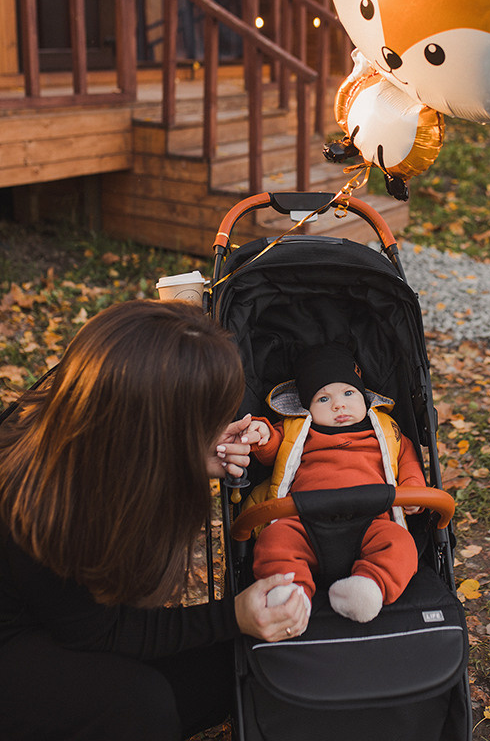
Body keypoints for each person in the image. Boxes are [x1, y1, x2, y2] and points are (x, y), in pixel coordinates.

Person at [0, 300, 309, 741]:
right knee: (140, 705)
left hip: (59, 617)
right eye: (206, 419)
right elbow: (95, 630)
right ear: (155, 432)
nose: (222, 425)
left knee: (231, 665)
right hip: (19, 642)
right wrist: (231, 615)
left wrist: (191, 454)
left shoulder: (95, 452)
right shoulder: (38, 498)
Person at [244, 345, 426, 624]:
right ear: (306, 407)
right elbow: (270, 450)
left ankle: (368, 587)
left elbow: (408, 459)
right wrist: (262, 434)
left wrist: (412, 490)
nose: (338, 405)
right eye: (323, 398)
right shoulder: (297, 429)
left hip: (371, 521)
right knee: (275, 539)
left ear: (365, 397)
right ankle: (290, 593)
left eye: (349, 393)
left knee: (401, 544)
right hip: (304, 521)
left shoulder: (386, 430)